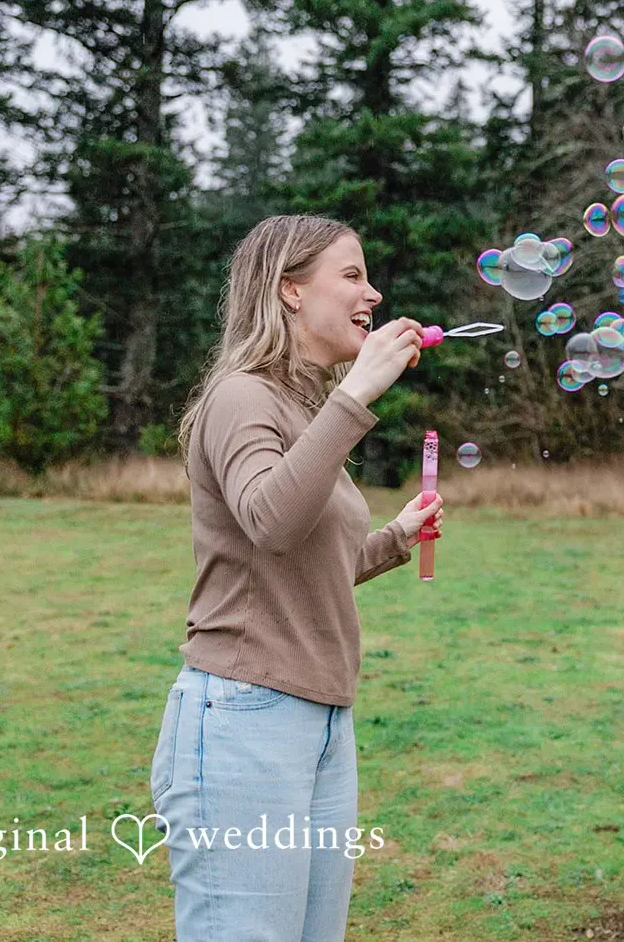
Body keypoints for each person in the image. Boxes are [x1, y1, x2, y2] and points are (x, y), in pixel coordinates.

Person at [150, 215, 444, 941]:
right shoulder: (241, 396)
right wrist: (358, 395)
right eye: (352, 275)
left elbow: (307, 563)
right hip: (246, 720)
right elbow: (269, 523)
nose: (373, 293)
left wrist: (394, 538)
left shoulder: (305, 405)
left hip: (320, 718)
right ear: (288, 290)